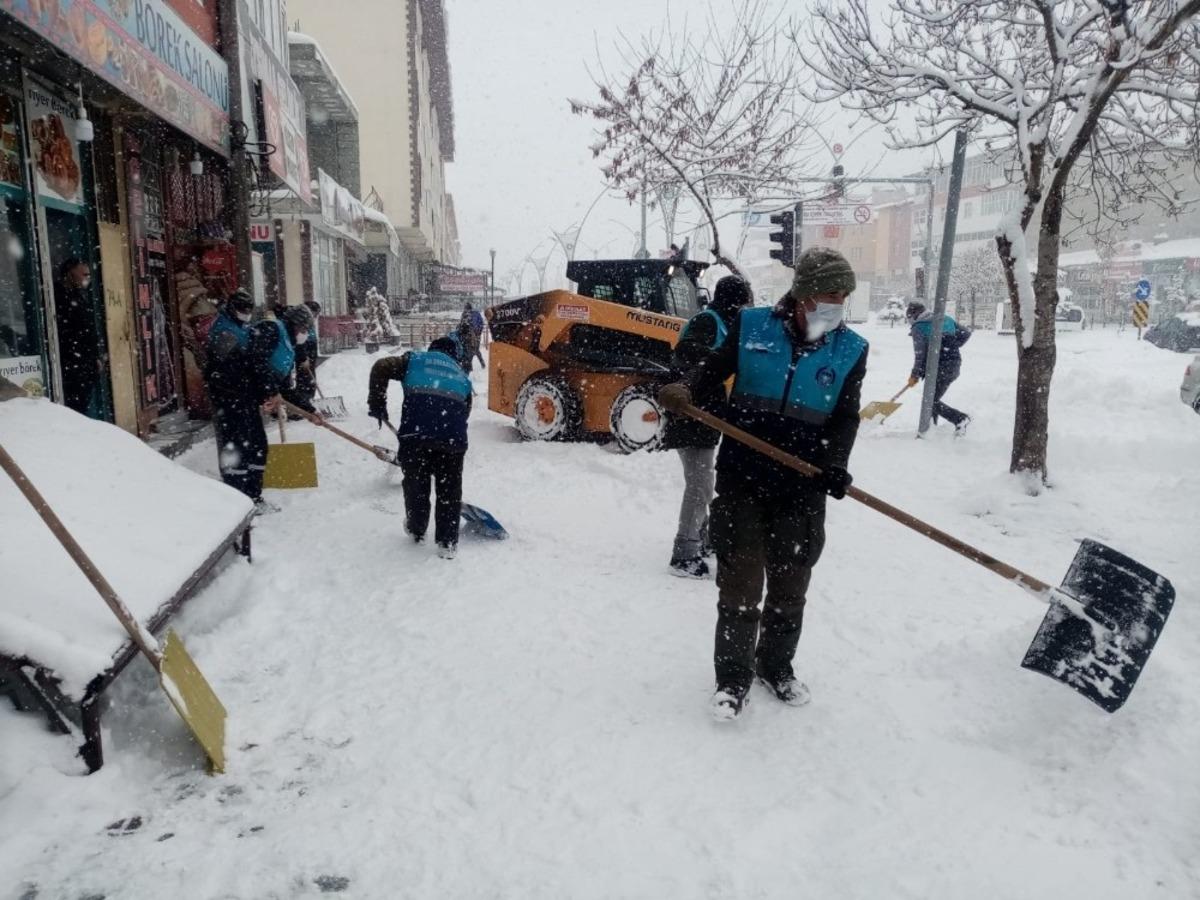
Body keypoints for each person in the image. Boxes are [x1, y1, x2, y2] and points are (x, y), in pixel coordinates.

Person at [660, 248, 868, 721]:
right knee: (739, 586)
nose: (834, 306)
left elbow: (845, 417)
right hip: (744, 480)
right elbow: (711, 369)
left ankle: (776, 666)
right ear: (801, 295)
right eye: (827, 296)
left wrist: (836, 463)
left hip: (803, 487)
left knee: (791, 587)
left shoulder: (851, 348)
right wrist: (686, 389)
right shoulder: (753, 325)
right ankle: (731, 679)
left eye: (842, 298)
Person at [666, 275, 753, 579]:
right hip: (691, 413)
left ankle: (703, 538)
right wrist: (721, 366)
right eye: (744, 301)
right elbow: (687, 356)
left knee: (704, 481)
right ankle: (684, 554)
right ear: (734, 300)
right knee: (699, 484)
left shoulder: (724, 322)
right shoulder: (708, 320)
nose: (746, 307)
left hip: (706, 416)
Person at [204, 292, 311, 513]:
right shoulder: (266, 331)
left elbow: (280, 383)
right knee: (237, 448)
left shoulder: (281, 338)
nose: (305, 334)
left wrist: (309, 409)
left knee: (256, 447)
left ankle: (252, 496)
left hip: (246, 398)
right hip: (230, 398)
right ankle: (237, 503)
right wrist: (267, 390)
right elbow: (252, 363)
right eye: (304, 329)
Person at [367, 336, 472, 559]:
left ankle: (417, 529)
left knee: (416, 484)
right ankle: (447, 542)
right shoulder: (462, 376)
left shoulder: (415, 360)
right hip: (452, 440)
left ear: (432, 349)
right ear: (455, 355)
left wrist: (377, 404)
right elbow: (465, 412)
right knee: (450, 490)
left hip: (416, 437)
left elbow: (381, 366)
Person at [905, 301, 971, 433]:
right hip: (954, 364)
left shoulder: (918, 327)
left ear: (913, 315)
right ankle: (930, 427)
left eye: (909, 319)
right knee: (932, 398)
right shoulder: (944, 318)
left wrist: (914, 375)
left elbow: (920, 355)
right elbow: (966, 333)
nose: (909, 322)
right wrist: (950, 345)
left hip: (938, 367)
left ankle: (960, 418)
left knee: (929, 400)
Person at [53, 258, 105, 416]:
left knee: (82, 404)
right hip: (72, 362)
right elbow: (71, 330)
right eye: (84, 274)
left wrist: (95, 357)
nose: (87, 278)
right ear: (71, 273)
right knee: (75, 407)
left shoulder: (80, 296)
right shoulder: (59, 295)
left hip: (84, 362)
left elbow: (88, 329)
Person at [456, 302, 486, 372]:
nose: (466, 310)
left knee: (474, 350)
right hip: (469, 335)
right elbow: (480, 323)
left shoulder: (473, 314)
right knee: (472, 350)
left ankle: (474, 365)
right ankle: (476, 365)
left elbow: (480, 323)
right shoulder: (471, 314)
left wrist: (478, 332)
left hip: (472, 335)